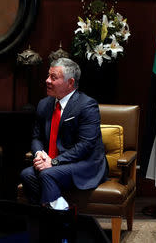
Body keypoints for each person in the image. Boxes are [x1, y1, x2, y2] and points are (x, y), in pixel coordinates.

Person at [20, 57, 108, 209]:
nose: (47, 80)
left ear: (70, 83)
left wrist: (53, 162)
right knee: (27, 174)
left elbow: (85, 146)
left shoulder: (87, 105)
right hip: (53, 163)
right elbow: (36, 137)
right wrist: (39, 154)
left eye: (53, 77)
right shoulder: (44, 104)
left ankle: (59, 224)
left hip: (84, 164)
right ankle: (49, 218)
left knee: (47, 174)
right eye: (48, 76)